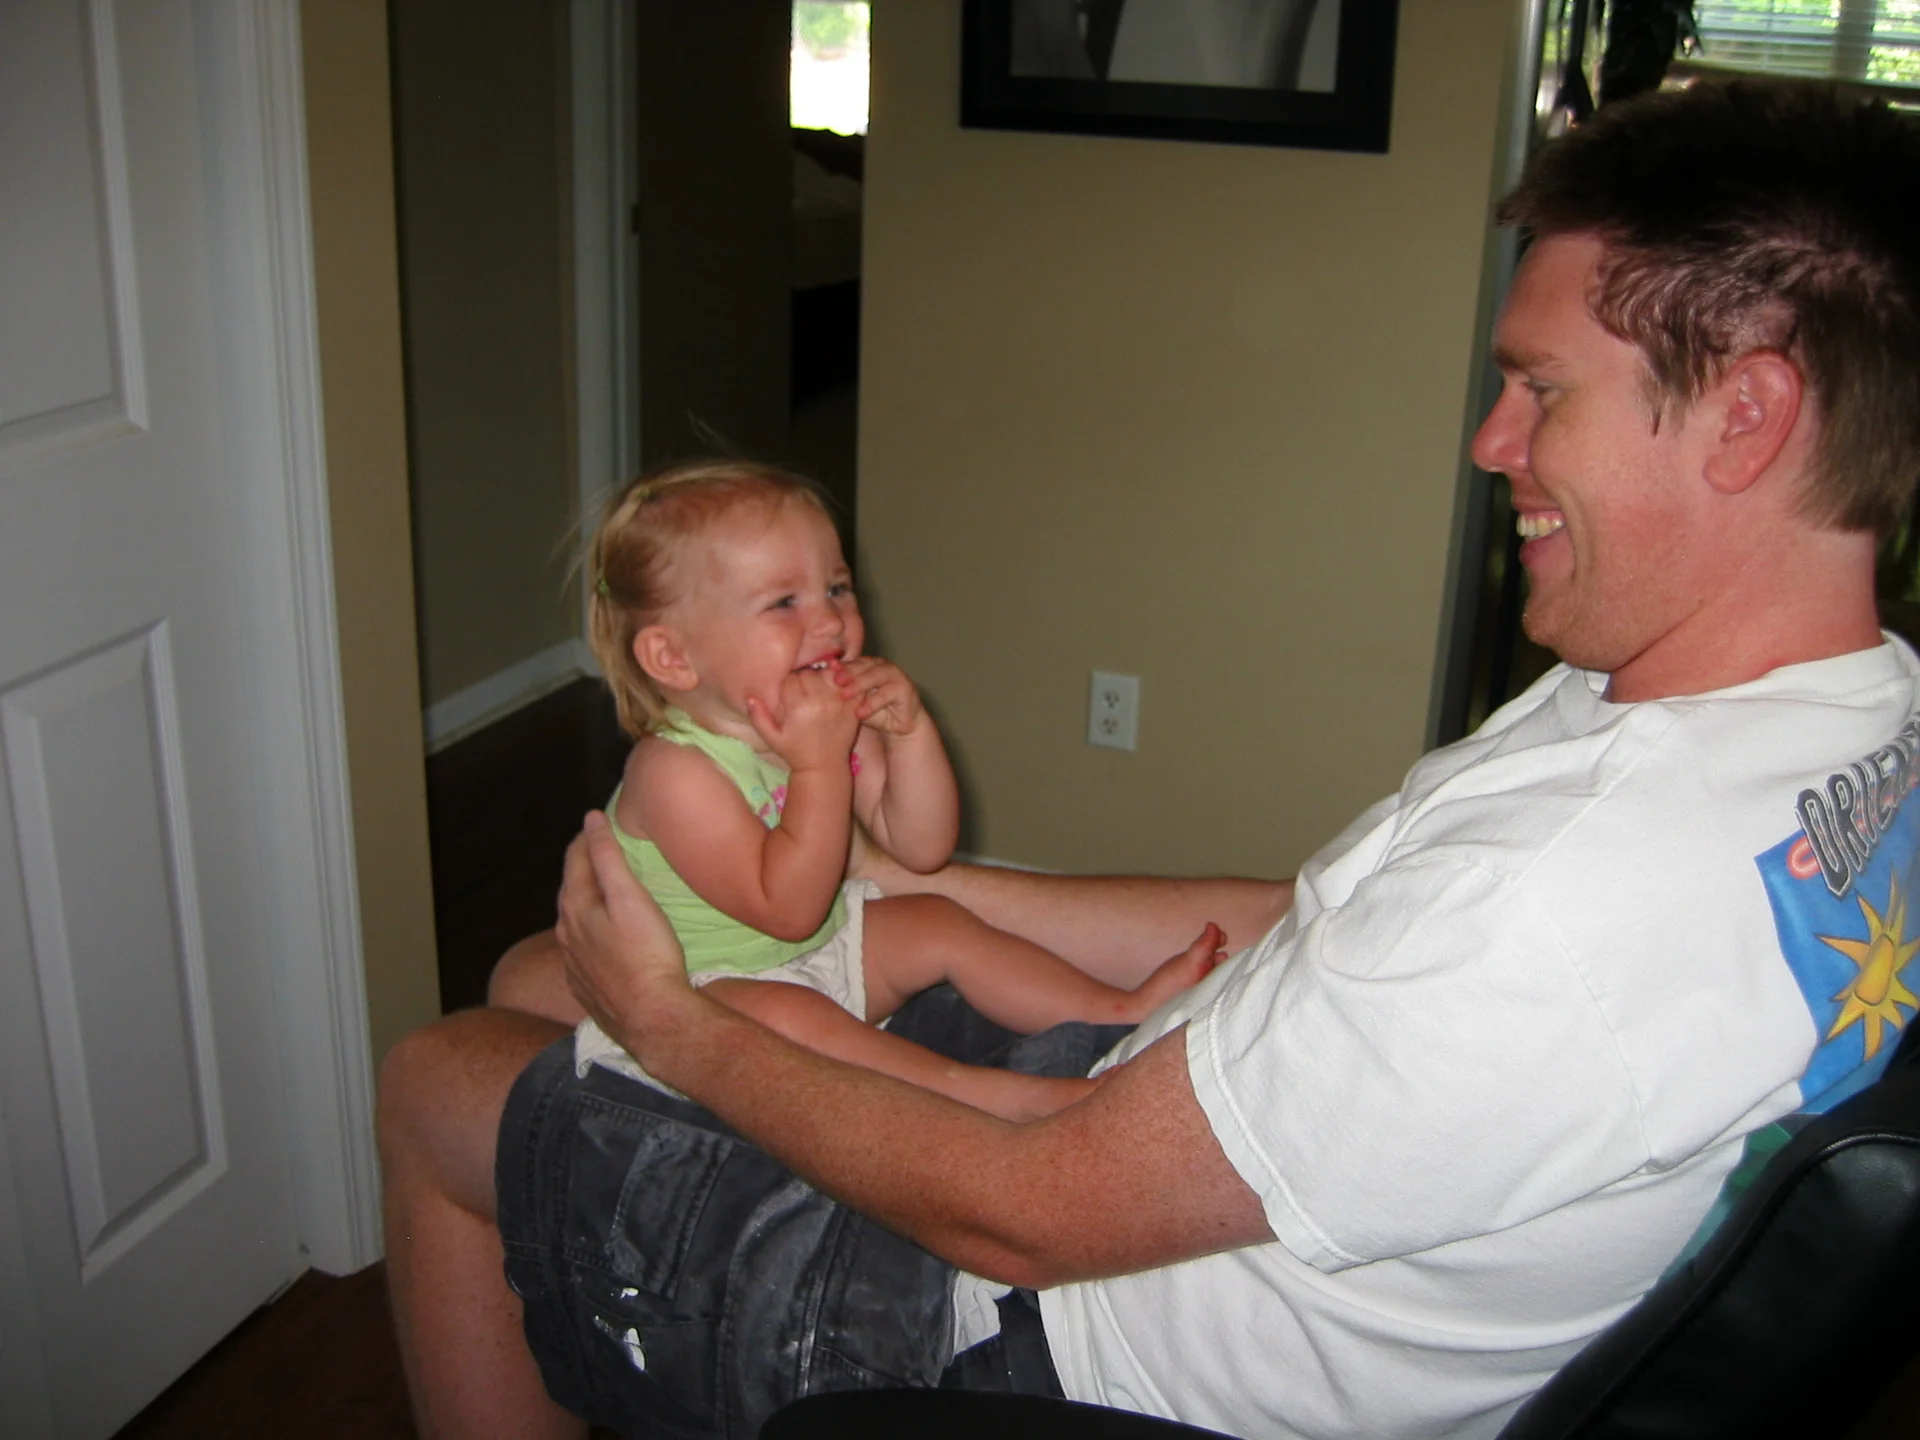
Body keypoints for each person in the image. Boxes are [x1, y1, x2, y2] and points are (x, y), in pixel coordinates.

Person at [378, 79, 1920, 1439]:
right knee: (532, 971)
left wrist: (672, 1021)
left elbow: (1029, 1214)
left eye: (1543, 390)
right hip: (1184, 1127)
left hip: (1051, 1327)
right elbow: (1327, 924)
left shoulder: (1568, 899)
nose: (1491, 442)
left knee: (440, 1079)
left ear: (1745, 419)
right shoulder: (1824, 722)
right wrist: (918, 885)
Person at [548, 460, 1224, 1121]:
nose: (830, 622)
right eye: (784, 602)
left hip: (825, 946)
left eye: (837, 588)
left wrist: (909, 734)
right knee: (792, 1017)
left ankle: (1117, 1008)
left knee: (936, 919)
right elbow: (788, 910)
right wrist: (818, 766)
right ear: (673, 658)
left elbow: (921, 848)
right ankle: (992, 1096)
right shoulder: (674, 773)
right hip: (716, 993)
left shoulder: (829, 719)